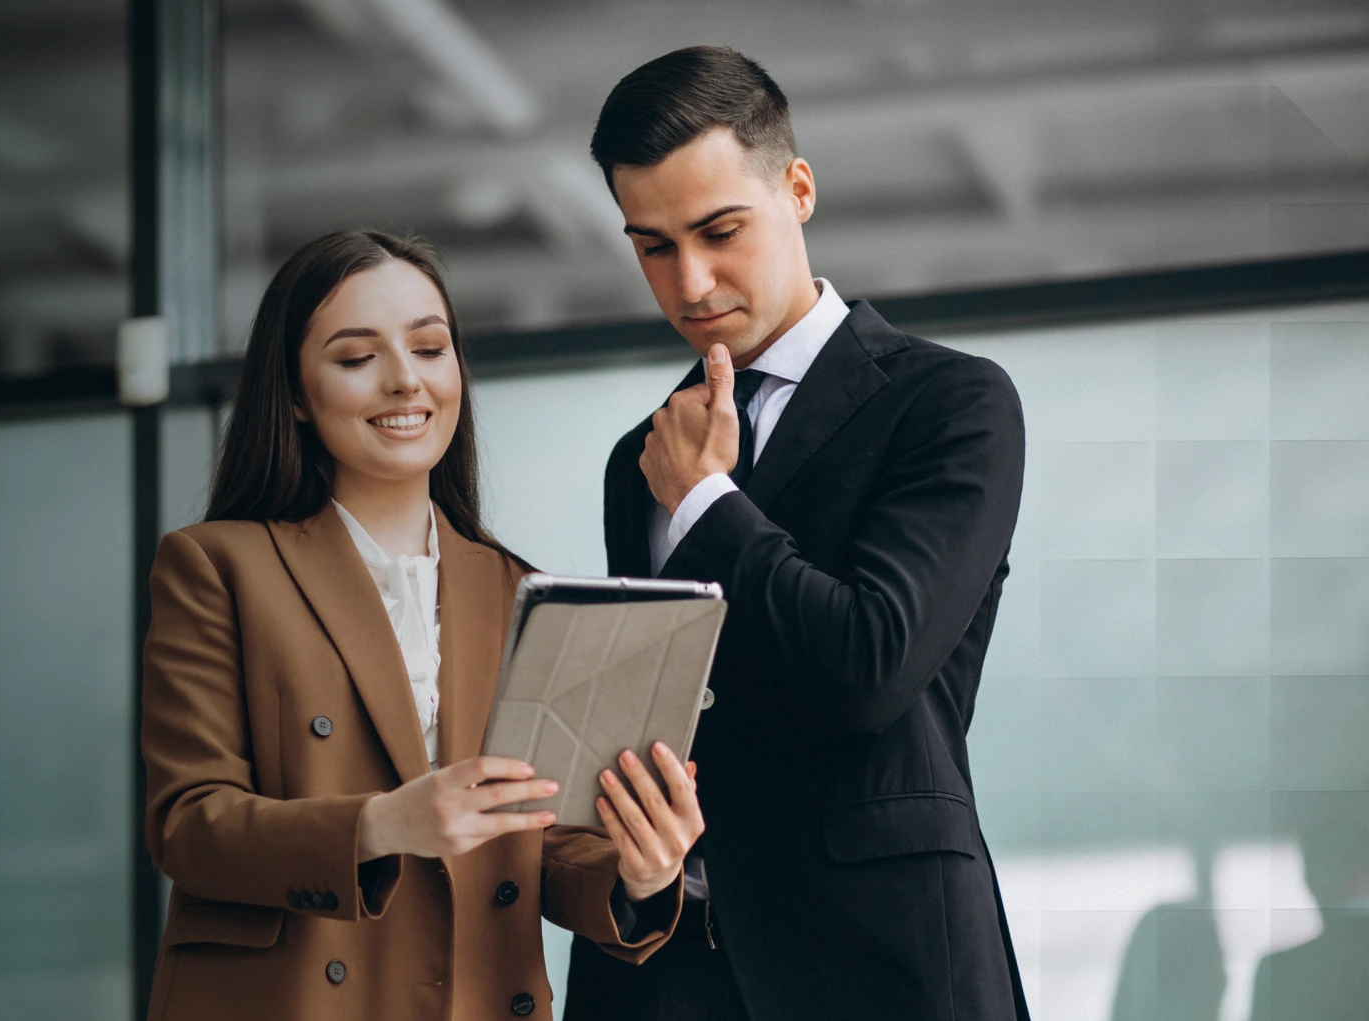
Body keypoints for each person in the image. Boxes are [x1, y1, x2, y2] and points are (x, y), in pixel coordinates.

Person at [563, 47, 1031, 1021]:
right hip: (678, 971)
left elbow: (869, 663)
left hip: (880, 961)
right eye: (652, 246)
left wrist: (705, 504)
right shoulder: (640, 458)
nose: (690, 282)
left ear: (800, 189)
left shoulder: (950, 403)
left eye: (719, 230)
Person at [140, 229, 707, 1021]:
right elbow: (188, 826)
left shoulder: (517, 587)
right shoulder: (217, 567)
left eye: (430, 348)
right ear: (296, 394)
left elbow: (538, 831)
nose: (406, 382)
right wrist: (381, 823)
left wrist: (642, 871)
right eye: (355, 358)